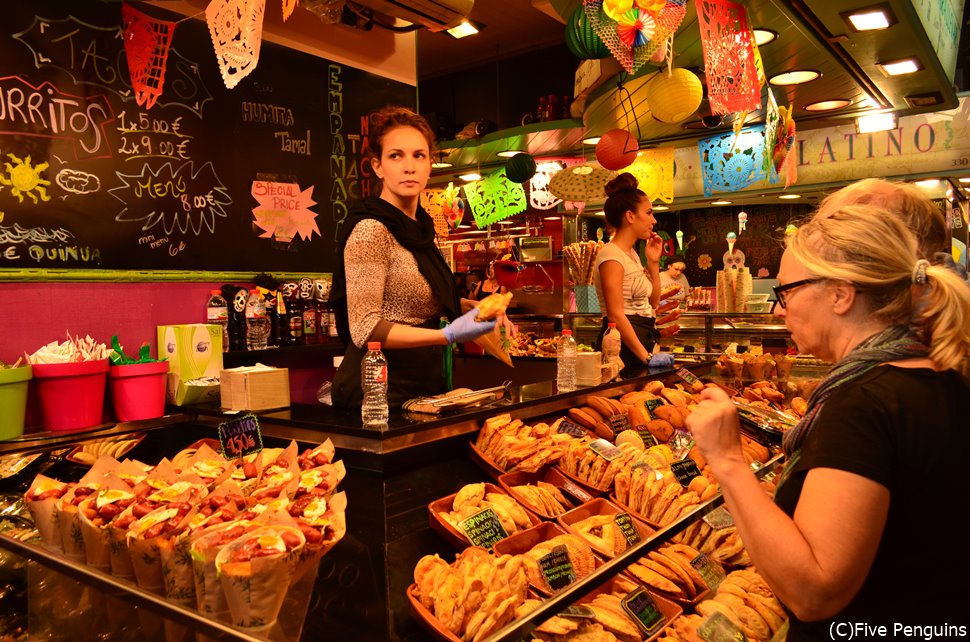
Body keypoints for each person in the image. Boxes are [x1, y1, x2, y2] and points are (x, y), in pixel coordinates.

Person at [686, 203, 970, 639]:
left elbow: (814, 590)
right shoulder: (939, 373)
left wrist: (727, 460)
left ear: (840, 293)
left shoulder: (863, 404)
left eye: (788, 292)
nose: (779, 311)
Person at [330, 106, 498, 409]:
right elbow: (365, 327)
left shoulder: (420, 229)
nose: (409, 167)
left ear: (430, 164)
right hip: (377, 392)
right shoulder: (371, 229)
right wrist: (446, 335)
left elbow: (411, 298)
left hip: (422, 382)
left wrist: (465, 306)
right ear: (377, 166)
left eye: (419, 155)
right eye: (396, 156)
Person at [592, 173, 674, 371]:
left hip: (640, 344)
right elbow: (616, 315)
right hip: (621, 351)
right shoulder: (611, 256)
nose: (653, 220)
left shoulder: (632, 255)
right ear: (630, 216)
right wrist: (646, 357)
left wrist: (653, 263)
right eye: (649, 213)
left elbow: (653, 303)